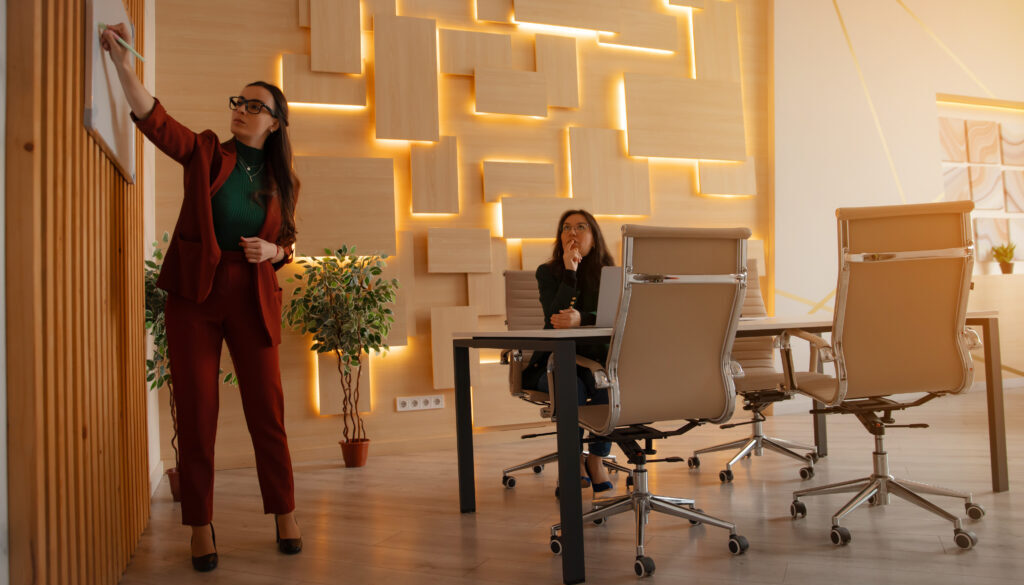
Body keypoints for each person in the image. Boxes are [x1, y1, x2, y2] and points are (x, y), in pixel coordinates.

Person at [101, 24, 302, 572]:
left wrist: (275, 252)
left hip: (254, 296)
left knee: (268, 409)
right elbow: (160, 126)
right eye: (239, 101)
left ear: (276, 122)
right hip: (196, 295)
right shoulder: (210, 152)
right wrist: (123, 66)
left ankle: (284, 510)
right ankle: (199, 524)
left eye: (255, 105)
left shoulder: (284, 181)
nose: (241, 109)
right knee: (196, 412)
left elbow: (288, 242)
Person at [520, 209, 617, 493]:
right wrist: (570, 272)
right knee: (569, 385)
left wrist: (583, 319)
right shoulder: (547, 273)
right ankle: (573, 459)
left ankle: (597, 458)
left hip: (597, 361)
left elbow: (615, 316)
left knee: (606, 383)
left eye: (580, 227)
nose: (572, 233)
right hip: (555, 364)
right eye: (566, 228)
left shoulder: (610, 274)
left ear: (594, 238)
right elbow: (556, 318)